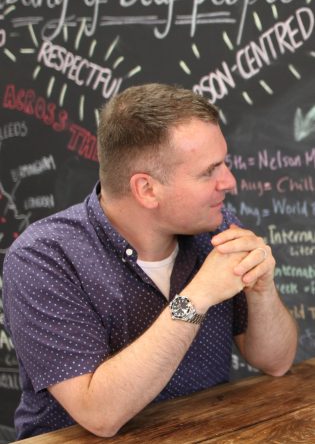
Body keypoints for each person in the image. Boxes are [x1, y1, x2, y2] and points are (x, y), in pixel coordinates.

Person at [3, 83, 297, 439]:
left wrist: (262, 289)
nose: (230, 182)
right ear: (146, 189)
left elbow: (276, 362)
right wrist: (196, 298)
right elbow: (100, 415)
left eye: (225, 163)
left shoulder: (215, 226)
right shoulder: (45, 257)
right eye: (209, 171)